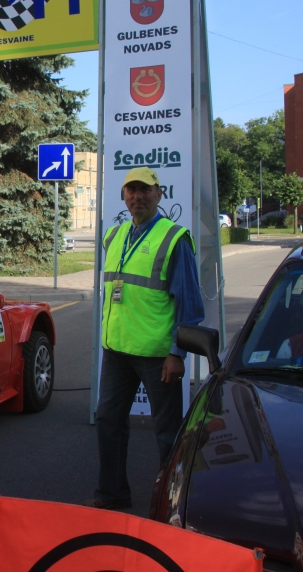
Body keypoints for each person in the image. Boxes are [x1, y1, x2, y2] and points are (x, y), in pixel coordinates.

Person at [85, 167, 204, 510]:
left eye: (145, 190)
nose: (137, 196)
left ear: (158, 194)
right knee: (108, 421)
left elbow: (189, 303)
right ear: (124, 196)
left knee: (167, 432)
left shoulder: (174, 239)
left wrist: (177, 353)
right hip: (117, 351)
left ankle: (174, 504)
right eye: (131, 190)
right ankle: (112, 495)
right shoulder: (114, 236)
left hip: (157, 355)